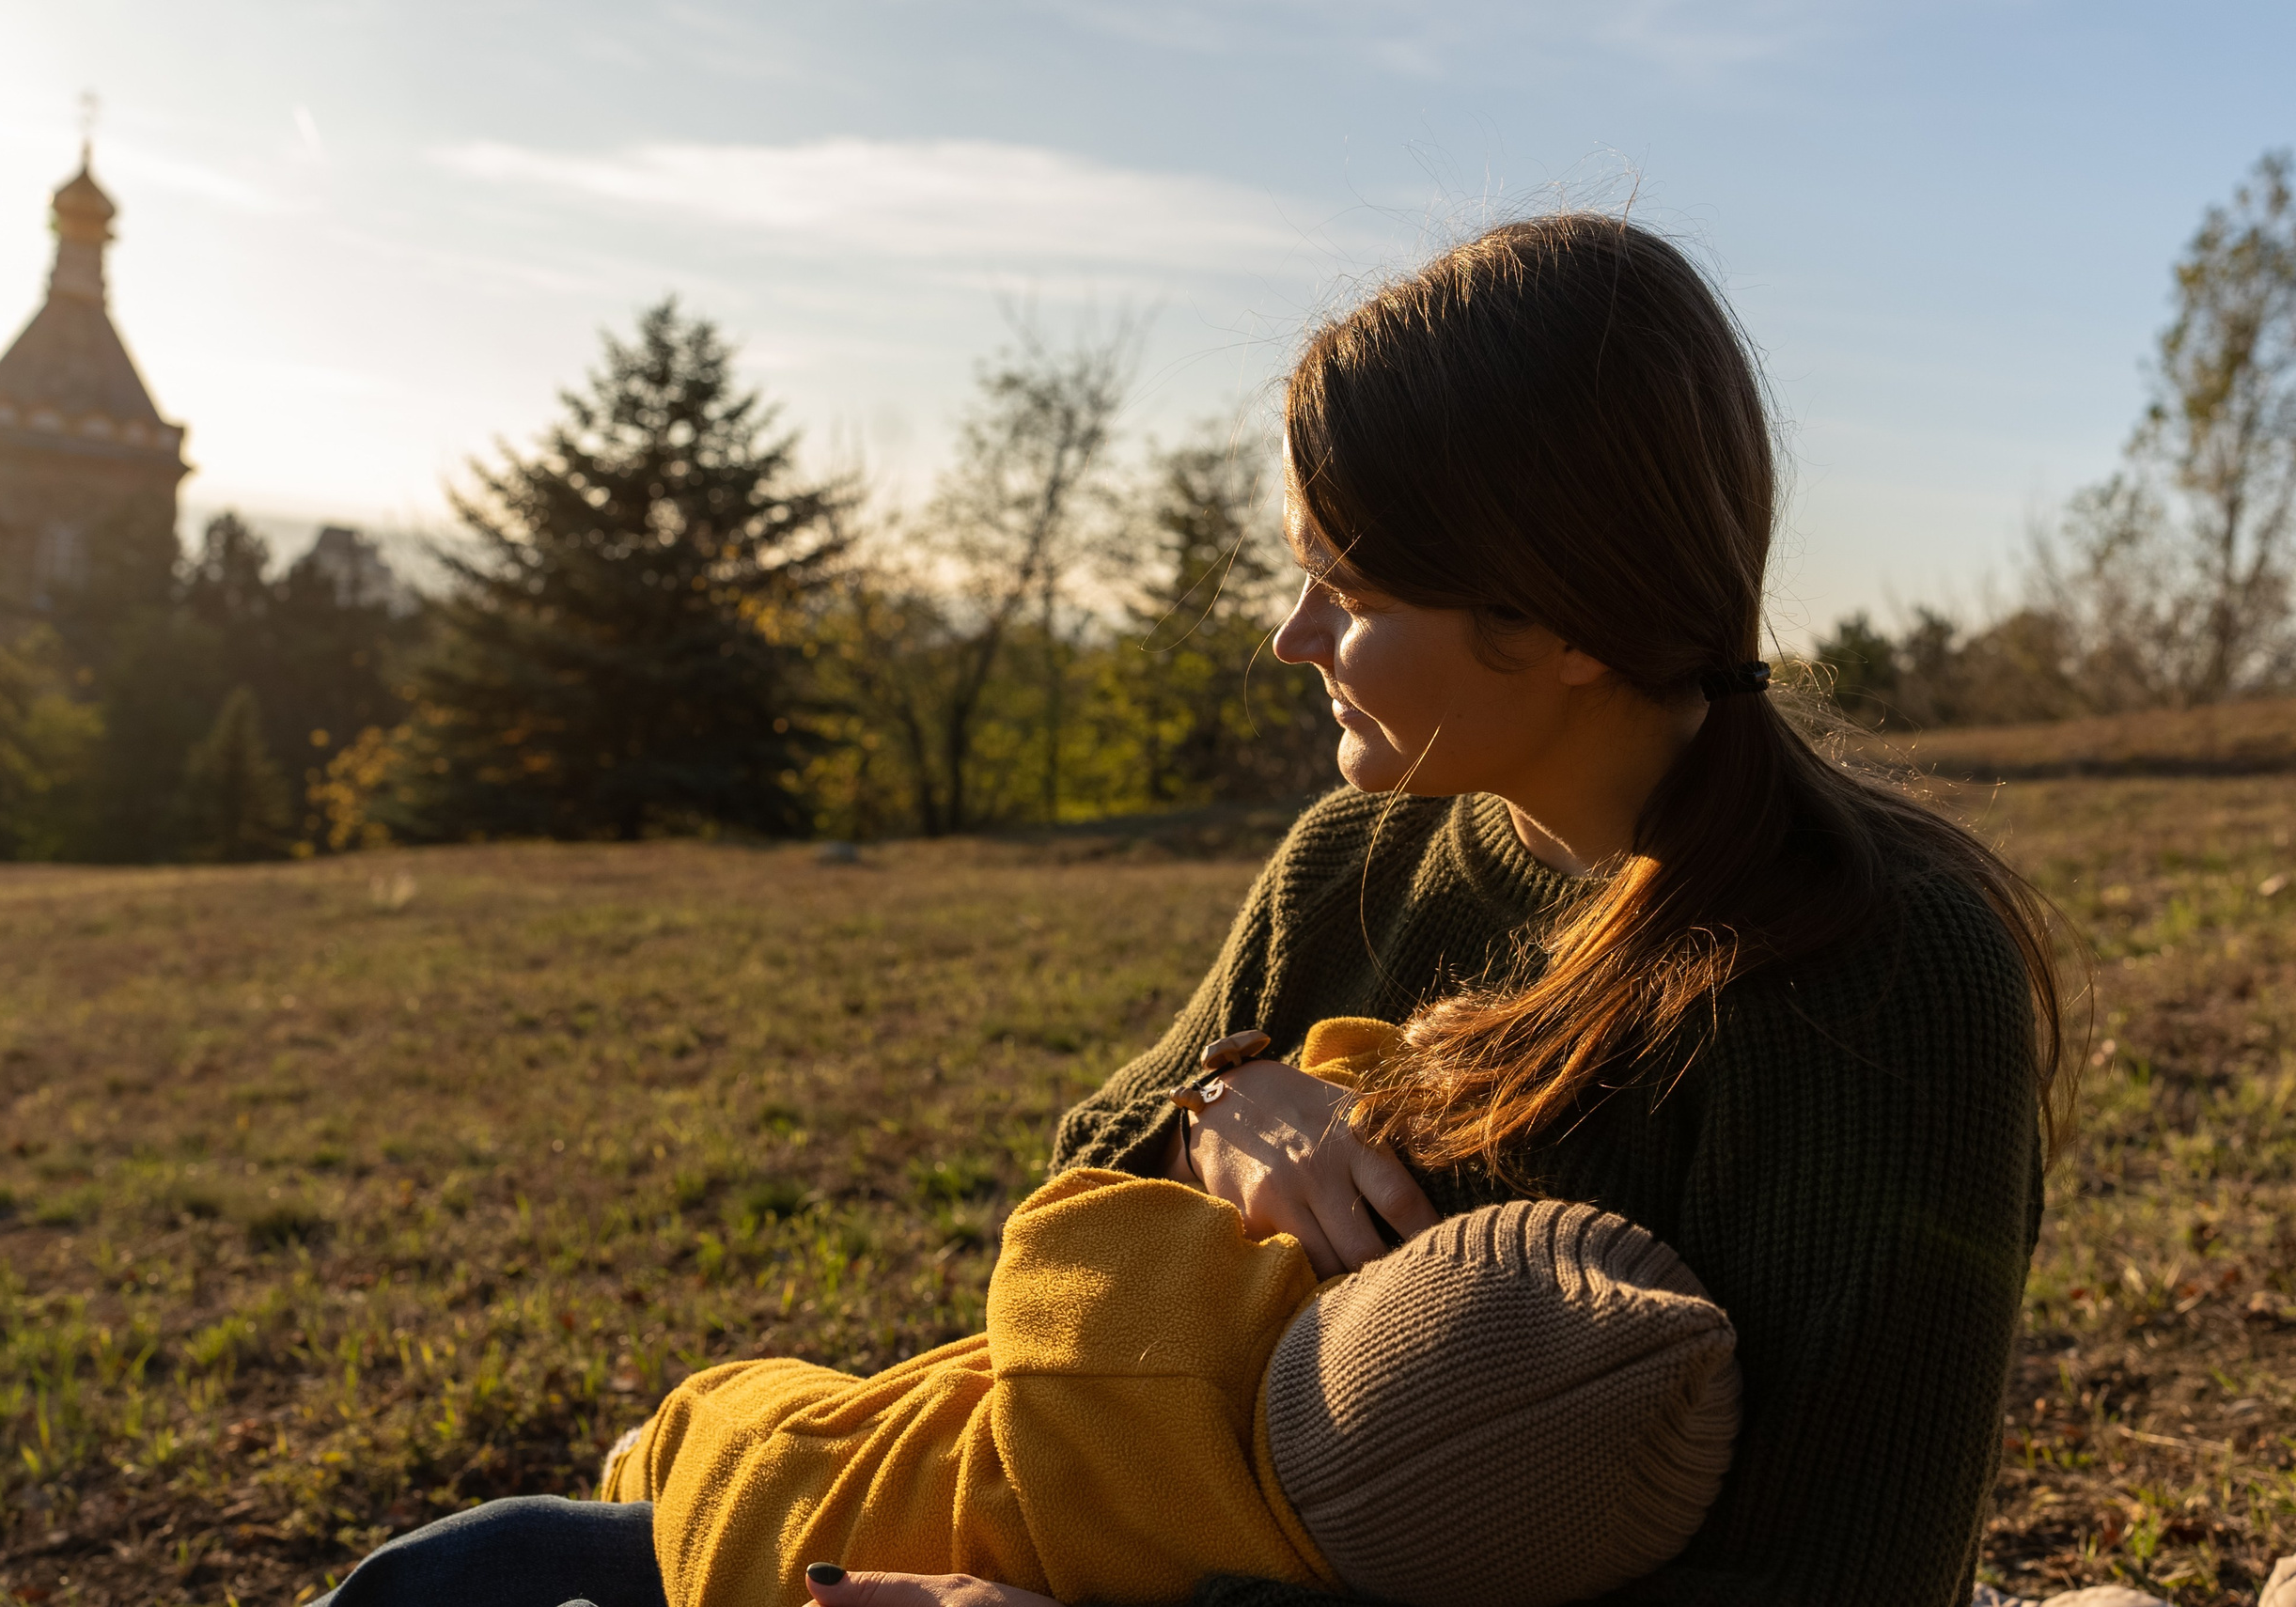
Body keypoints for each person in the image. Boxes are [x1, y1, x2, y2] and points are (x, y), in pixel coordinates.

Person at [312, 211, 2068, 1607]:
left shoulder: (1879, 972)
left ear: (1567, 624)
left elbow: (1831, 1582)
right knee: (468, 1576)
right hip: (1078, 1531)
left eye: (1351, 590)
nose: (1292, 639)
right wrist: (1236, 1095)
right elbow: (1074, 1195)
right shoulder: (1356, 862)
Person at [593, 1027, 1739, 1607]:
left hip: (786, 1516)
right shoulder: (1318, 1570)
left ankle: (636, 1462)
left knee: (706, 1437)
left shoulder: (1179, 1354)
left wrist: (1234, 1089)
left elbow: (1068, 1215)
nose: (1301, 636)